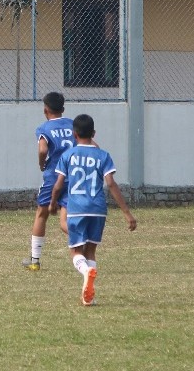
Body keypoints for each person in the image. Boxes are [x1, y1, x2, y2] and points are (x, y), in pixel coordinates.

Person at [49, 114, 137, 306]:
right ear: (94, 133)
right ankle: (89, 297)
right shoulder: (103, 155)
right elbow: (111, 184)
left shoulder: (68, 155)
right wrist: (126, 213)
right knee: (91, 251)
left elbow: (57, 186)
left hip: (76, 208)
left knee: (75, 252)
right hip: (98, 209)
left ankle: (86, 272)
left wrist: (53, 203)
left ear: (74, 134)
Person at [23, 92, 76, 272]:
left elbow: (43, 149)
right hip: (72, 177)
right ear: (63, 109)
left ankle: (34, 261)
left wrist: (41, 163)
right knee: (66, 217)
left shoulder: (44, 128)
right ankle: (83, 240)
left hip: (53, 177)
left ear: (45, 110)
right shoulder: (72, 125)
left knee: (42, 214)